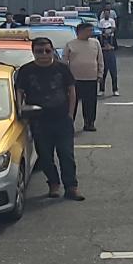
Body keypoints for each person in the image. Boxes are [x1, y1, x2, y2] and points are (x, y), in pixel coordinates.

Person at [17, 36, 82, 200]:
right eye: (39, 51)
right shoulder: (26, 71)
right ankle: (53, 184)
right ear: (33, 52)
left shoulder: (62, 68)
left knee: (66, 155)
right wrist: (21, 112)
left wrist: (70, 114)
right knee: (45, 156)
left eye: (47, 50)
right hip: (38, 121)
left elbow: (72, 91)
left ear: (52, 51)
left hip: (62, 118)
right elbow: (20, 92)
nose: (44, 54)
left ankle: (71, 187)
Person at [65, 25, 107, 133]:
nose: (91, 32)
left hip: (91, 78)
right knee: (72, 103)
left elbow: (100, 60)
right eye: (88, 30)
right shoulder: (70, 44)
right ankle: (69, 124)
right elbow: (64, 61)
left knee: (90, 103)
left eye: (91, 30)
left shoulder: (95, 43)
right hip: (74, 79)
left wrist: (100, 74)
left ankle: (89, 123)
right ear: (80, 31)